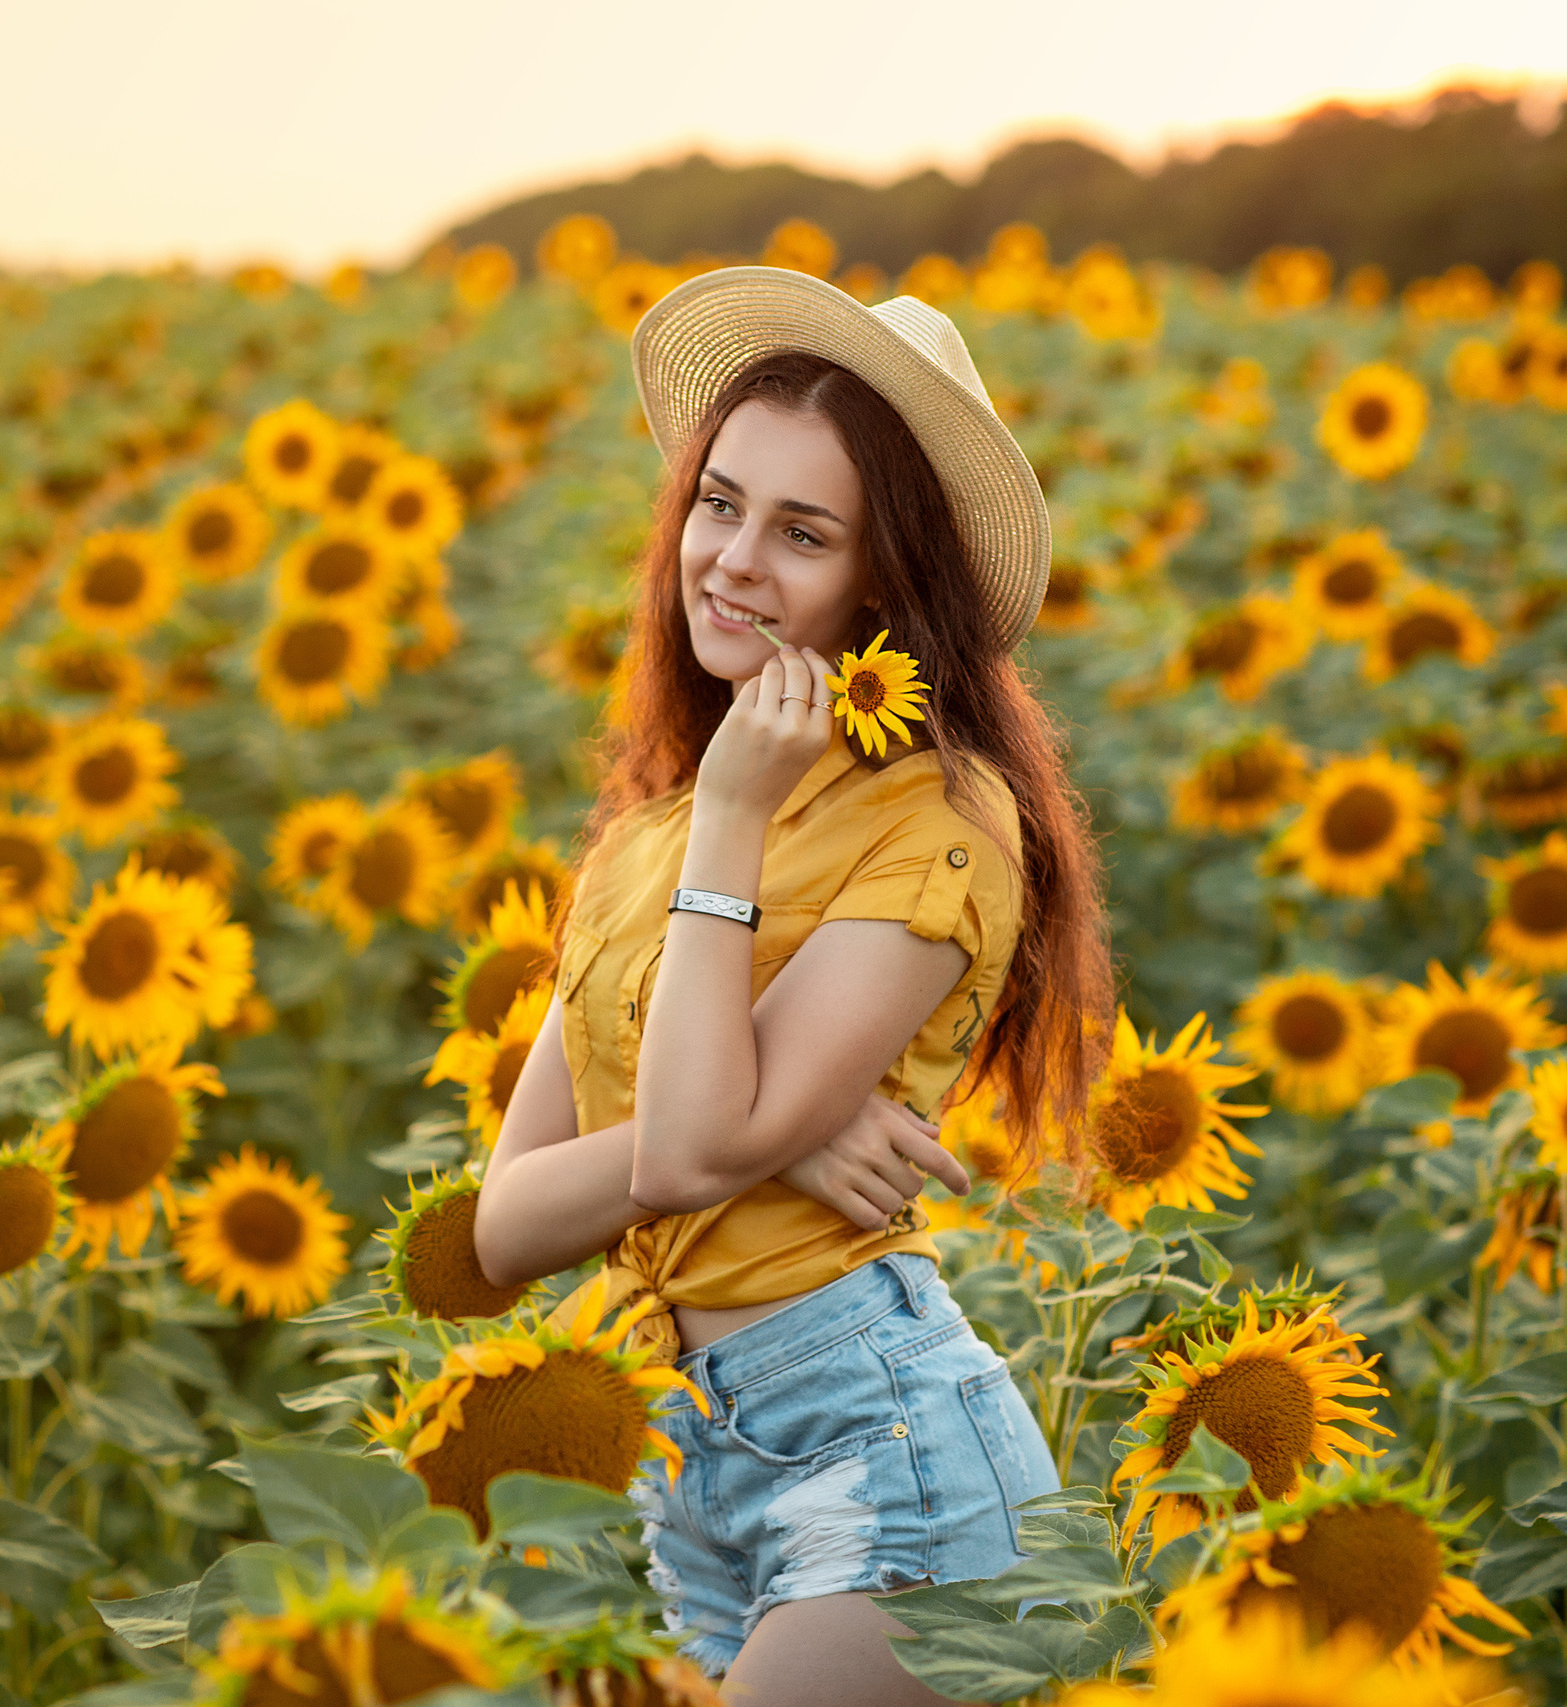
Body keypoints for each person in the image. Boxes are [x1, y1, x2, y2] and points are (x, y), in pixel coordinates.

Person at [474, 266, 1114, 1706]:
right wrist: (781, 1123)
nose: (734, 560)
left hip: (880, 1443)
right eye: (719, 502)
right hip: (687, 1472)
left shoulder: (937, 819)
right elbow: (507, 1224)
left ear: (880, 576)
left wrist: (733, 826)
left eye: (802, 530)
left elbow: (693, 1148)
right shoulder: (640, 836)